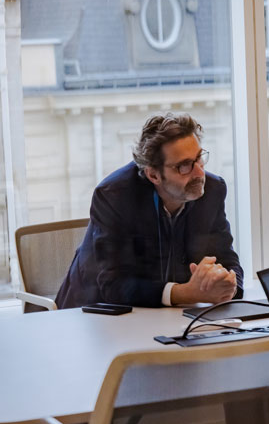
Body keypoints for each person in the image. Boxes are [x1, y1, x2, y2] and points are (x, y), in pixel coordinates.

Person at [56, 113, 243, 309]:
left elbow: (227, 259)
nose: (199, 173)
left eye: (199, 158)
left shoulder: (212, 190)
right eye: (184, 166)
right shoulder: (115, 196)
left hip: (168, 315)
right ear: (153, 174)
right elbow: (115, 285)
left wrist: (228, 285)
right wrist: (185, 293)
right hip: (94, 315)